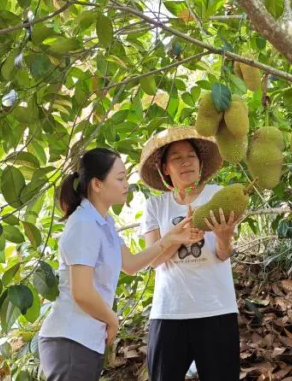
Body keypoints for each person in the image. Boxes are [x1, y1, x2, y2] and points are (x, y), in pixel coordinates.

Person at [38, 147, 204, 381]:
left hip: (85, 340)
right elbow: (81, 292)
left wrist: (171, 238)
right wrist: (112, 319)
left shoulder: (104, 222)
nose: (126, 184)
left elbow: (131, 264)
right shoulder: (84, 223)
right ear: (97, 184)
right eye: (120, 178)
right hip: (70, 338)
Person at [136, 126, 244, 381]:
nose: (186, 162)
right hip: (170, 310)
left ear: (200, 162)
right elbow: (154, 259)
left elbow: (222, 254)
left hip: (216, 308)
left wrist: (224, 235)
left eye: (191, 156)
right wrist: (178, 236)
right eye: (177, 157)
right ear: (164, 168)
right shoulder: (155, 205)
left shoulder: (218, 196)